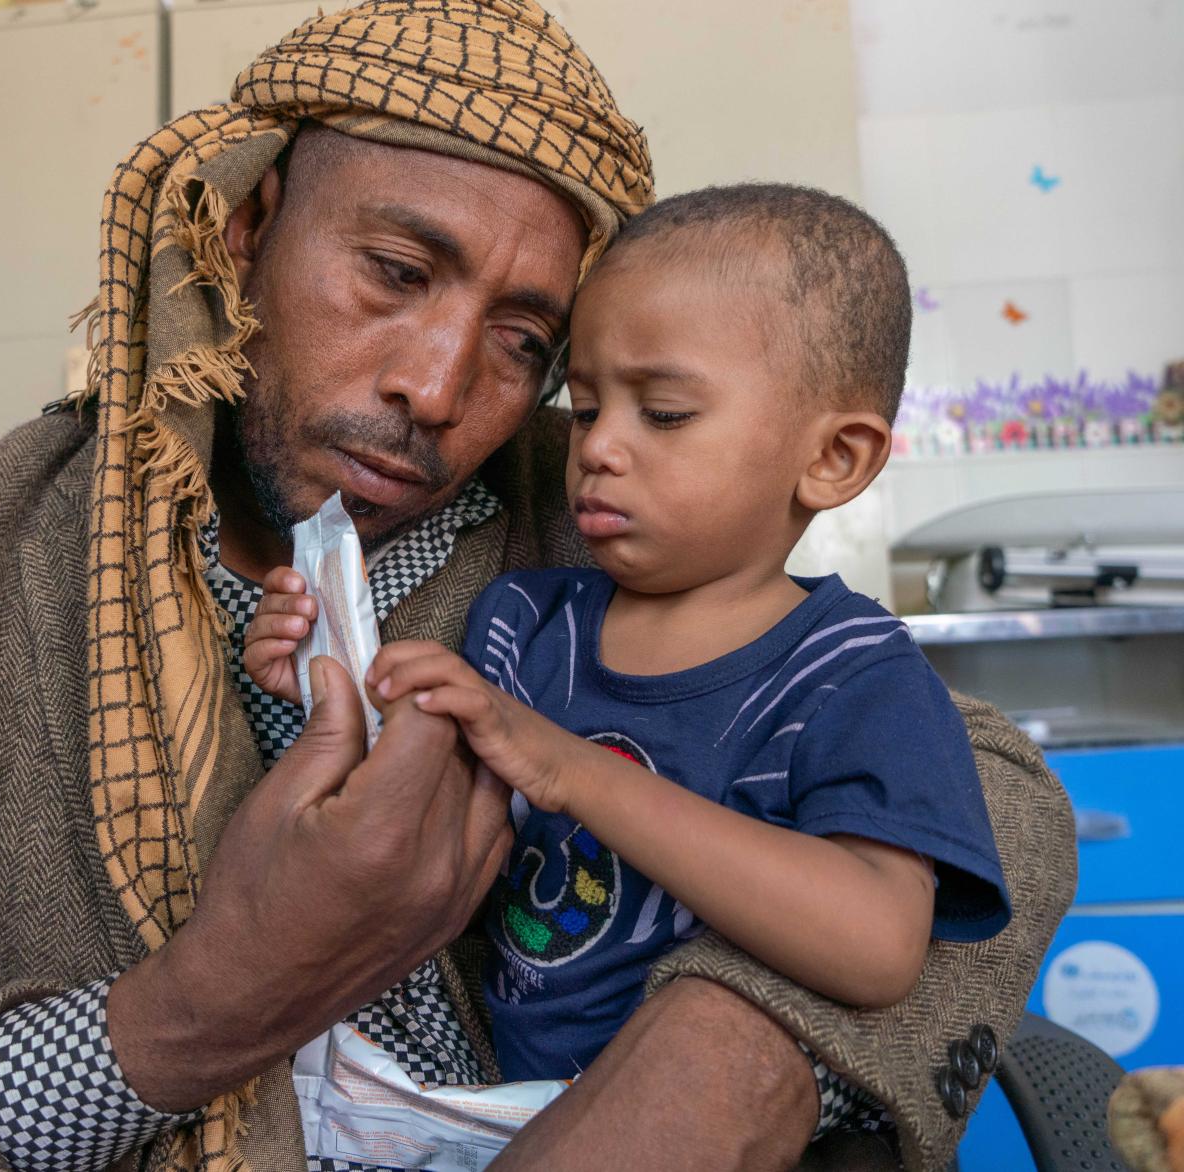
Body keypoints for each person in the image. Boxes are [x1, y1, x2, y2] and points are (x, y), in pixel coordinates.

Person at [0, 3, 1075, 1171]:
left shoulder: (590, 508)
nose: (434, 388)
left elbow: (989, 790)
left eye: (521, 339)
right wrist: (205, 1010)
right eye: (393, 270)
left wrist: (725, 1054)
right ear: (247, 229)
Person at [250, 183, 1012, 1086]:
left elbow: (879, 947)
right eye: (585, 406)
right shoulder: (526, 624)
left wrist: (572, 770)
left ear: (832, 460)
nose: (599, 447)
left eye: (664, 414)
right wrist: (343, 692)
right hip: (503, 1116)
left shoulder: (854, 673)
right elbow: (429, 859)